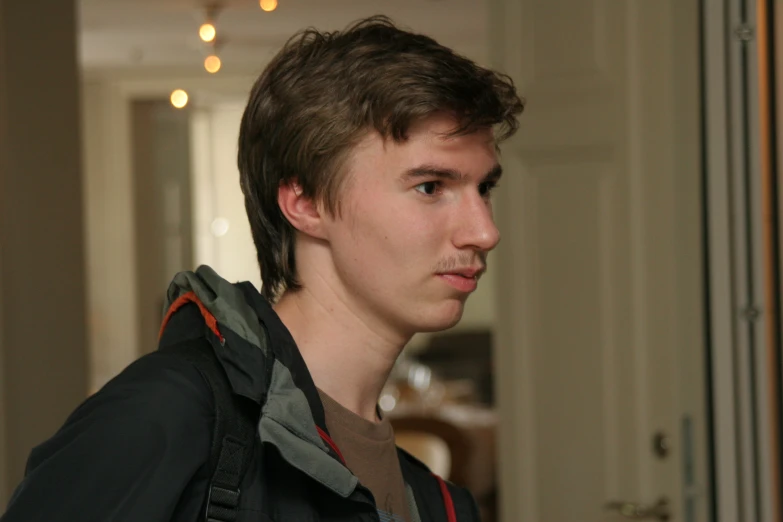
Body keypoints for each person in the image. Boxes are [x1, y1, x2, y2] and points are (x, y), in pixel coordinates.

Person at [2, 15, 523, 522]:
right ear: (305, 203)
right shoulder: (169, 414)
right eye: (430, 187)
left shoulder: (439, 503)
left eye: (484, 189)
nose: (484, 231)